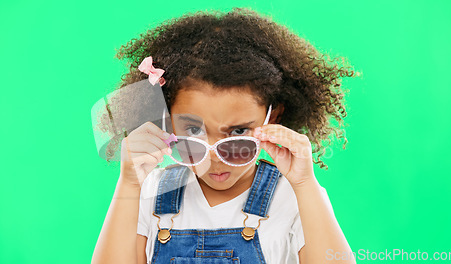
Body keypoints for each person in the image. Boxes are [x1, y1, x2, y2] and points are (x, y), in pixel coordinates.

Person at [92, 7, 359, 264]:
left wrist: (305, 186)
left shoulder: (295, 197)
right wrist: (128, 184)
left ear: (273, 118)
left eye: (238, 133)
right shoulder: (149, 192)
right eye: (194, 131)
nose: (214, 156)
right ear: (166, 122)